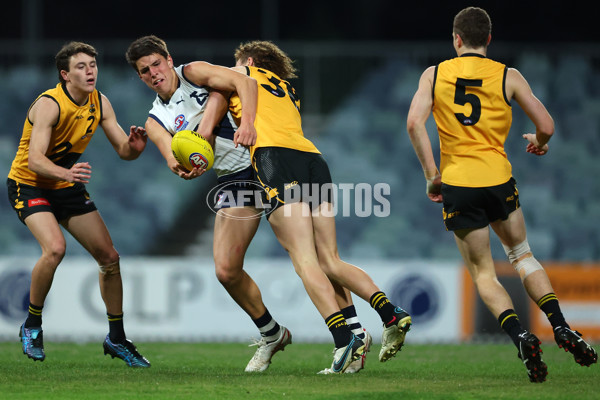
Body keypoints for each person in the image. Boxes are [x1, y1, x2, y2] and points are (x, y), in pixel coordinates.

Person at [406, 6, 598, 383]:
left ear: (456, 39)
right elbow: (546, 125)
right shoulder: (507, 75)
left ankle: (521, 336)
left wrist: (432, 176)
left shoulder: (435, 74)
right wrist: (538, 142)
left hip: (459, 184)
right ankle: (560, 327)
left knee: (483, 273)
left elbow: (414, 122)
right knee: (522, 255)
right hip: (498, 179)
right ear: (488, 40)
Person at [222, 40, 412, 373]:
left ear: (249, 60)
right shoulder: (285, 87)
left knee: (304, 259)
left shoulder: (242, 72)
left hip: (275, 160)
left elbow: (219, 84)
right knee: (331, 260)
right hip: (313, 159)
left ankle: (343, 341)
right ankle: (389, 313)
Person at [7, 41, 150, 367]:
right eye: (81, 67)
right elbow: (34, 160)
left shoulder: (100, 102)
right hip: (28, 185)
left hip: (65, 185)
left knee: (109, 258)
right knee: (55, 248)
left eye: (93, 65)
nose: (90, 72)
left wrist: (136, 147)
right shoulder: (50, 104)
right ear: (65, 74)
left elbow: (123, 152)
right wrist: (66, 173)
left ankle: (116, 338)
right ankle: (32, 325)